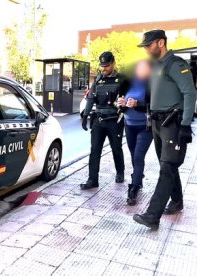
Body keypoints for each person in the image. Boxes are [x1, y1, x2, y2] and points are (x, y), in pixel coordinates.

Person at [134, 30, 196, 229]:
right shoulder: (156, 66)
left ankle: (153, 215)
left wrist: (186, 124)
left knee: (167, 167)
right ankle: (176, 202)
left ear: (160, 43)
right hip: (157, 123)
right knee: (167, 165)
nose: (146, 49)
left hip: (173, 124)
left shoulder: (175, 64)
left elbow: (190, 93)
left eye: (148, 45)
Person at [81, 51, 130, 190]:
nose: (104, 69)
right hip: (99, 120)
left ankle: (120, 172)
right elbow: (91, 97)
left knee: (116, 148)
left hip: (115, 120)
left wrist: (127, 105)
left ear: (113, 63)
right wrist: (85, 115)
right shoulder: (98, 79)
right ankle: (92, 180)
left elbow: (130, 97)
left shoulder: (122, 79)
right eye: (102, 66)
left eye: (107, 66)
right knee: (95, 150)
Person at [117, 60, 153, 205]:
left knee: (138, 156)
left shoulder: (152, 84)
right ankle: (138, 176)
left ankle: (134, 188)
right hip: (129, 124)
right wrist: (121, 104)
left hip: (145, 126)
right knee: (133, 154)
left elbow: (154, 105)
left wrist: (137, 104)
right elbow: (119, 103)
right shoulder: (128, 83)